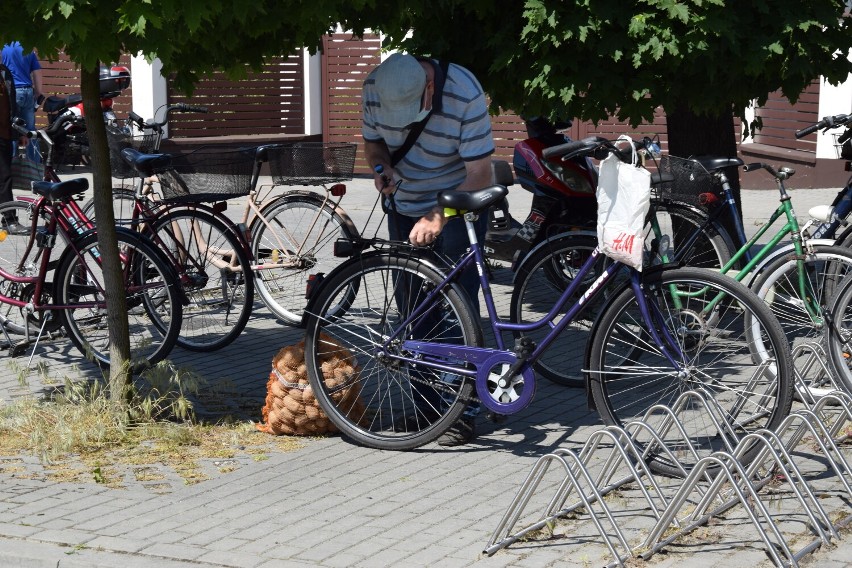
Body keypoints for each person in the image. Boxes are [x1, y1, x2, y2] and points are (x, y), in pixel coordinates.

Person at [362, 53, 495, 446]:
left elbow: (480, 173)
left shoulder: (464, 92)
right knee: (412, 312)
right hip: (403, 207)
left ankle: (460, 413)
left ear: (430, 87)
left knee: (458, 312)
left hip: (459, 206)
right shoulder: (374, 88)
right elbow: (373, 146)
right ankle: (426, 410)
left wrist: (440, 215)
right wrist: (381, 170)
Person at [1, 41, 42, 163]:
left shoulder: (3, 47)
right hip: (28, 92)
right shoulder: (28, 47)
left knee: (12, 130)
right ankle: (35, 168)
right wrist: (37, 94)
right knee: (30, 131)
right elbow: (37, 73)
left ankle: (13, 165)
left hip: (11, 93)